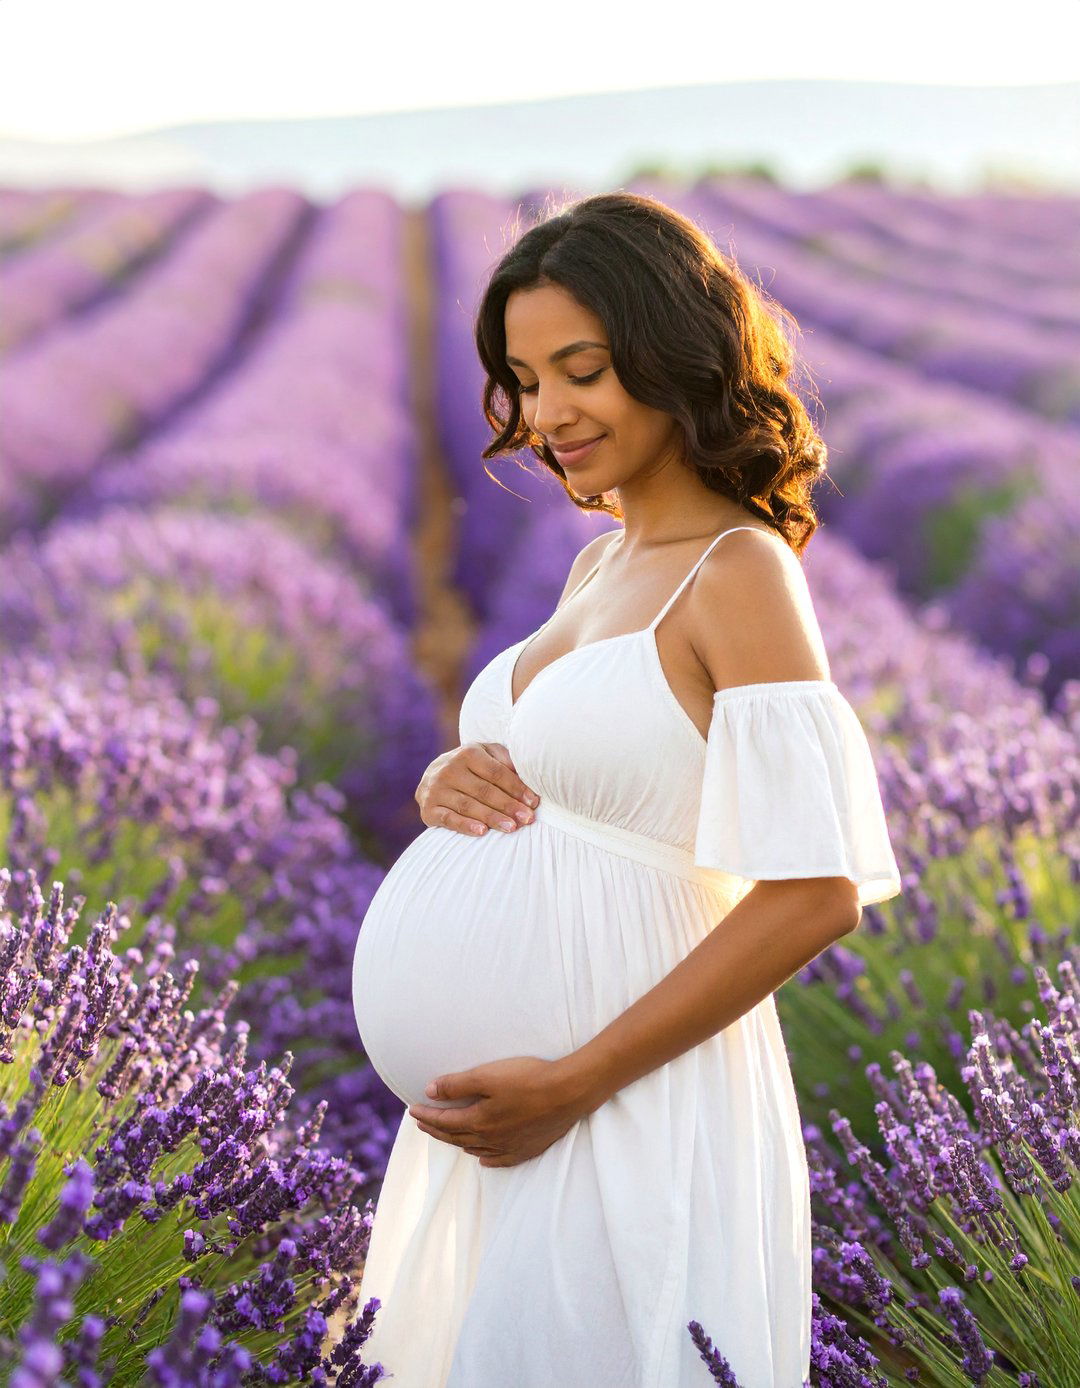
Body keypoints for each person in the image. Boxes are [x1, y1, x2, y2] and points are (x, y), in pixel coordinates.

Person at [351, 191, 902, 1387]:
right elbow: (582, 781)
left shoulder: (738, 570)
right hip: (510, 1120)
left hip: (625, 1100)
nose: (547, 413)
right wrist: (453, 774)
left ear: (671, 354)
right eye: (524, 379)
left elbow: (816, 890)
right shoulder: (600, 562)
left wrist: (575, 1079)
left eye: (582, 370)